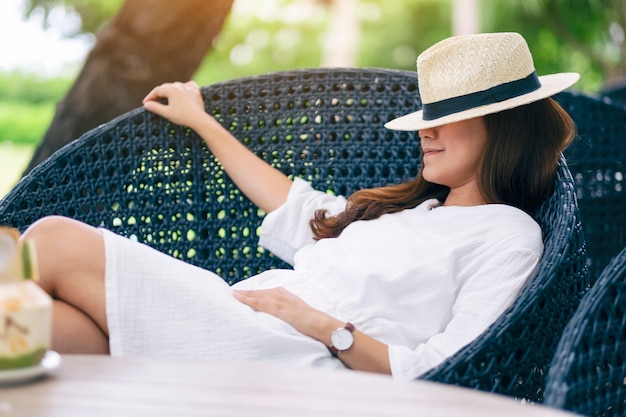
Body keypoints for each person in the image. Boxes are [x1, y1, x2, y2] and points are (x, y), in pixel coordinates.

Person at [17, 32, 579, 380]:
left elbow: (444, 367)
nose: (426, 133)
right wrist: (204, 122)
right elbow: (293, 204)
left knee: (51, 241)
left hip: (294, 356)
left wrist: (320, 324)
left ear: (502, 124)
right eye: (426, 119)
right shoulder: (413, 213)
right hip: (250, 320)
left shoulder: (508, 234)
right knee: (48, 334)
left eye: (445, 120)